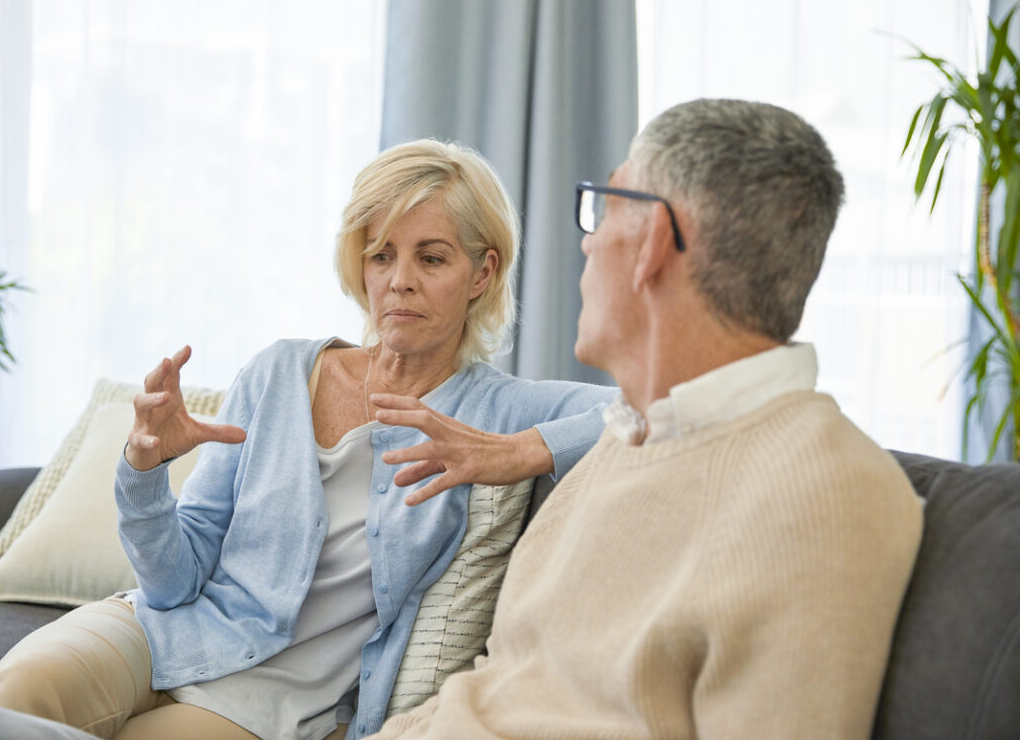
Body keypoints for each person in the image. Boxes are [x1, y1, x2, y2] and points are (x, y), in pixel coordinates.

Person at [0, 139, 615, 740]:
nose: (398, 282)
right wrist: (144, 471)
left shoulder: (497, 409)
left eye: (431, 258)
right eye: (381, 255)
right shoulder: (278, 372)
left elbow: (651, 405)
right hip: (158, 630)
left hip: (270, 700)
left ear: (482, 272)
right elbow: (176, 578)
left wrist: (523, 451)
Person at [365, 99, 925, 738]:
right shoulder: (632, 439)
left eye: (604, 207)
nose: (589, 238)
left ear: (653, 241)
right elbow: (499, 686)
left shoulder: (822, 493)